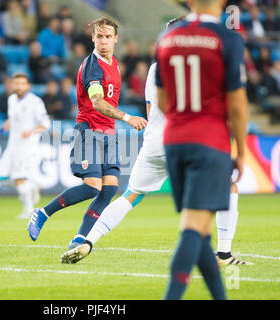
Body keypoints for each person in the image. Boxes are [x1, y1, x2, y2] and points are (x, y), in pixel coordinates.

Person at [60, 19, 253, 268]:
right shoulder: (201, 64)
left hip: (155, 141)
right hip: (188, 139)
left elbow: (152, 111)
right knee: (228, 187)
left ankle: (88, 241)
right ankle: (223, 254)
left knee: (131, 195)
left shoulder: (154, 68)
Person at [156, 0, 248, 300]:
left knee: (202, 230)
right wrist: (242, 150)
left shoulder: (167, 37)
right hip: (209, 141)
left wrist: (185, 116)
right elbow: (237, 103)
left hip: (174, 139)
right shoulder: (227, 38)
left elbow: (162, 100)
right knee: (193, 229)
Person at [27, 16, 147, 248]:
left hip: (108, 134)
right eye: (99, 36)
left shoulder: (114, 64)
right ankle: (42, 213)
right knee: (93, 186)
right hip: (89, 131)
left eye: (108, 37)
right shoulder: (93, 65)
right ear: (93, 38)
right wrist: (127, 117)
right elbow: (97, 102)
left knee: (110, 187)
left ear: (115, 39)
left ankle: (79, 238)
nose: (103, 41)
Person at [0, 73, 50, 219]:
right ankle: (32, 185)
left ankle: (28, 210)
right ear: (12, 85)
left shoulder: (35, 102)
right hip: (13, 145)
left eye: (22, 83)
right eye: (16, 83)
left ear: (28, 86)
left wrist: (31, 131)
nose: (19, 86)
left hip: (27, 146)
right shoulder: (11, 100)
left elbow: (45, 124)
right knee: (2, 177)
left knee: (18, 178)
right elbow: (12, 120)